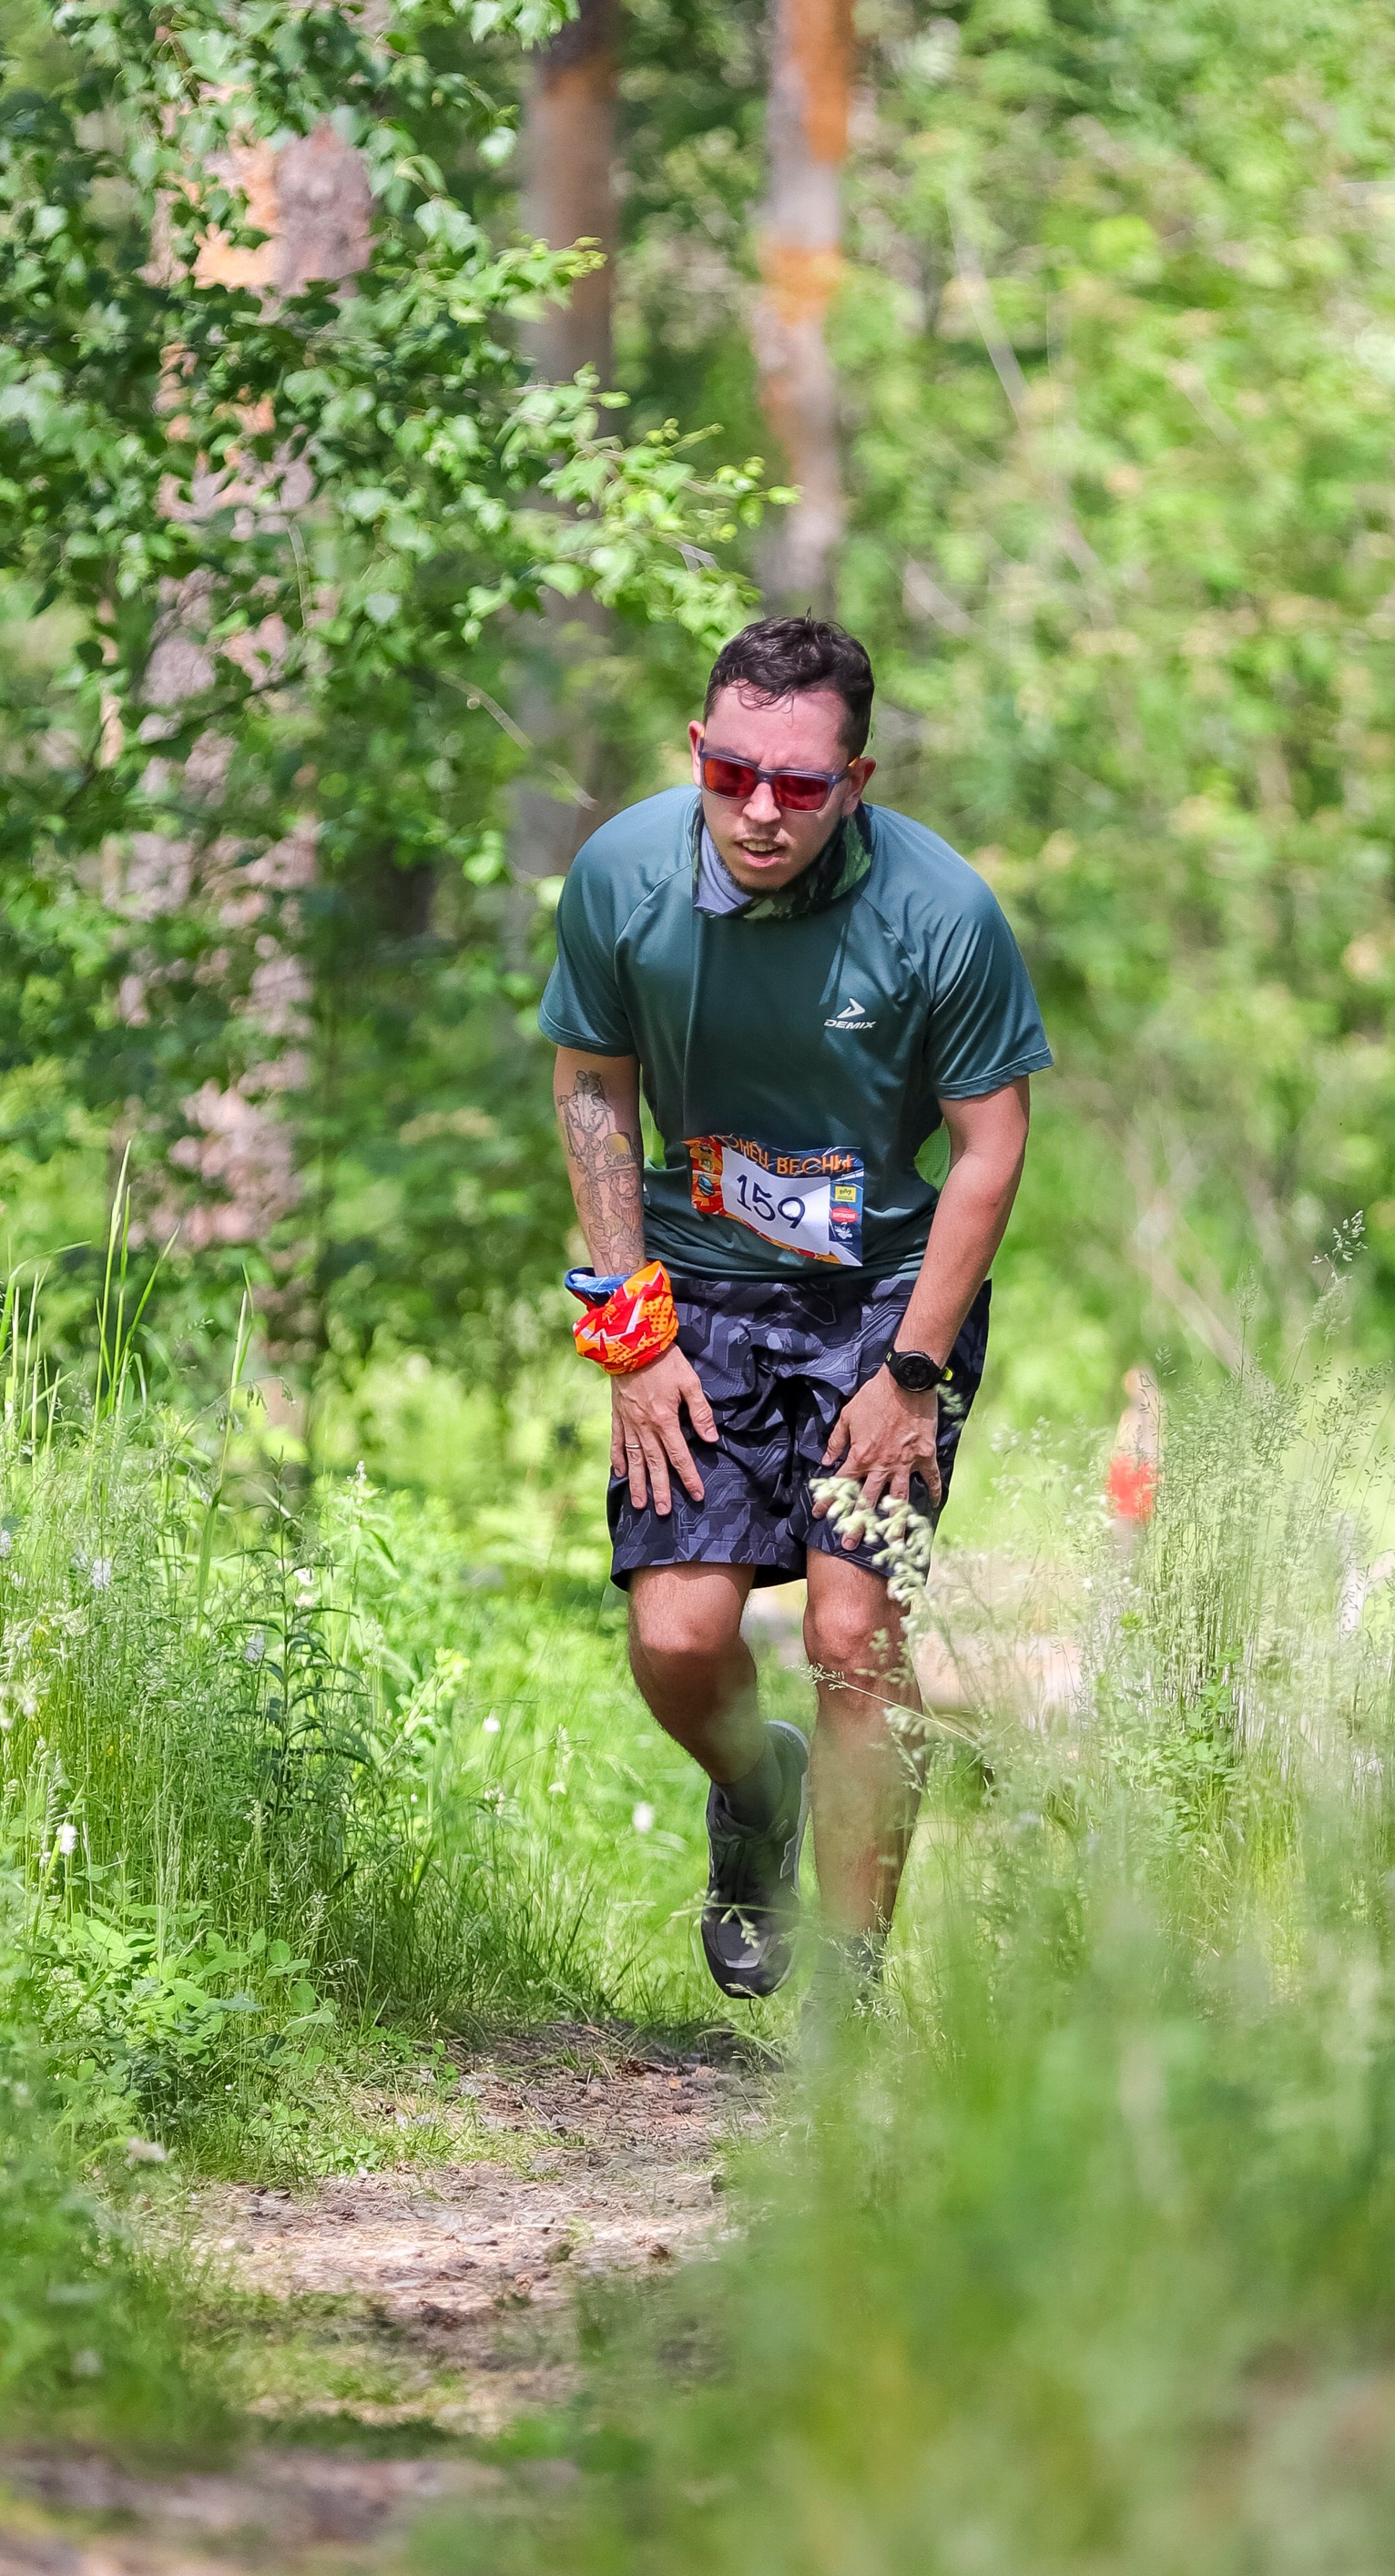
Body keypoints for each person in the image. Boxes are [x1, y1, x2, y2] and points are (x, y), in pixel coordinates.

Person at [539, 616, 1051, 2007]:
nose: (762, 810)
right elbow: (594, 1089)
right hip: (693, 1286)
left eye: (802, 785)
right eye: (733, 772)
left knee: (848, 1638)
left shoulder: (940, 914)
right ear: (697, 750)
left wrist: (913, 1370)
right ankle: (754, 1788)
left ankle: (853, 1981)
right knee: (680, 1638)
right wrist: (628, 1338)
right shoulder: (624, 878)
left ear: (858, 781)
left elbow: (990, 1150)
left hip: (883, 1298)